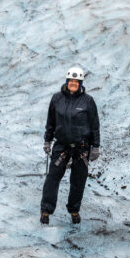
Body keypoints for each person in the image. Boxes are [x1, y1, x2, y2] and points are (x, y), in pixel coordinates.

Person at [40, 66, 100, 224]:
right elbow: (50, 122)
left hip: (81, 148)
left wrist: (96, 146)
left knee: (78, 182)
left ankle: (74, 211)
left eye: (77, 81)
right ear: (67, 82)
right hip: (61, 146)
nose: (73, 83)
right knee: (52, 179)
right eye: (71, 81)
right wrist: (47, 140)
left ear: (81, 83)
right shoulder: (56, 99)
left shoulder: (88, 101)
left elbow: (95, 125)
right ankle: (46, 211)